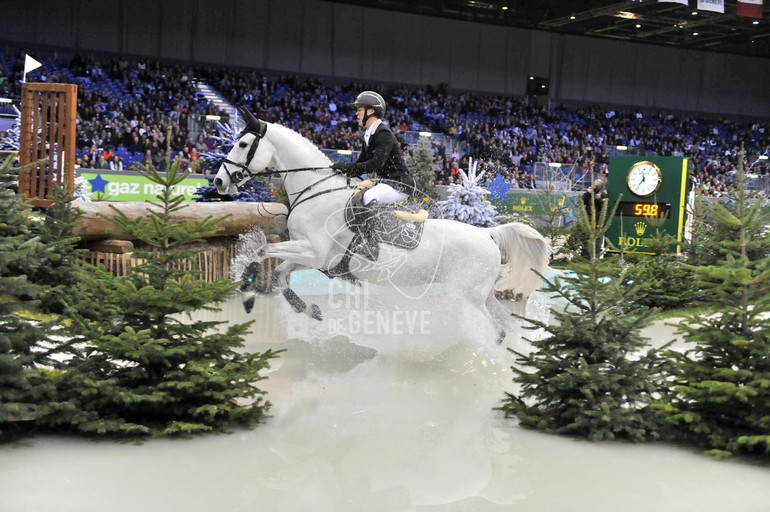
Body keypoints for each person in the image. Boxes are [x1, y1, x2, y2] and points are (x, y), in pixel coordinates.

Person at [329, 91, 420, 261]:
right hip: (386, 183)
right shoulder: (370, 133)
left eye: (359, 110)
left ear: (371, 111)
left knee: (369, 195)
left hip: (399, 184)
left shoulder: (383, 133)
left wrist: (348, 167)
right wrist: (342, 169)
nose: (356, 113)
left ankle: (371, 245)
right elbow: (362, 162)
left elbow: (375, 164)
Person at [581, 179, 608, 258]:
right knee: (586, 240)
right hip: (587, 221)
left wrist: (599, 199)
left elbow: (604, 207)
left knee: (597, 242)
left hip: (598, 222)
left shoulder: (603, 195)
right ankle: (585, 256)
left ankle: (595, 257)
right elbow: (581, 201)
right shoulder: (589, 194)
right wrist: (587, 193)